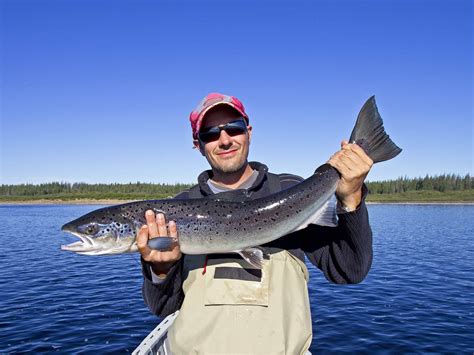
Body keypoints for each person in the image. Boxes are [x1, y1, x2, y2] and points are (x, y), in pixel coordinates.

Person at [137, 92, 374, 354]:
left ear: (248, 131)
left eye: (234, 129)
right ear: (198, 144)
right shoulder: (173, 213)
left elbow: (350, 269)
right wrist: (161, 270)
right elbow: (163, 309)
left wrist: (351, 199)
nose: (224, 140)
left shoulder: (290, 191)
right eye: (210, 134)